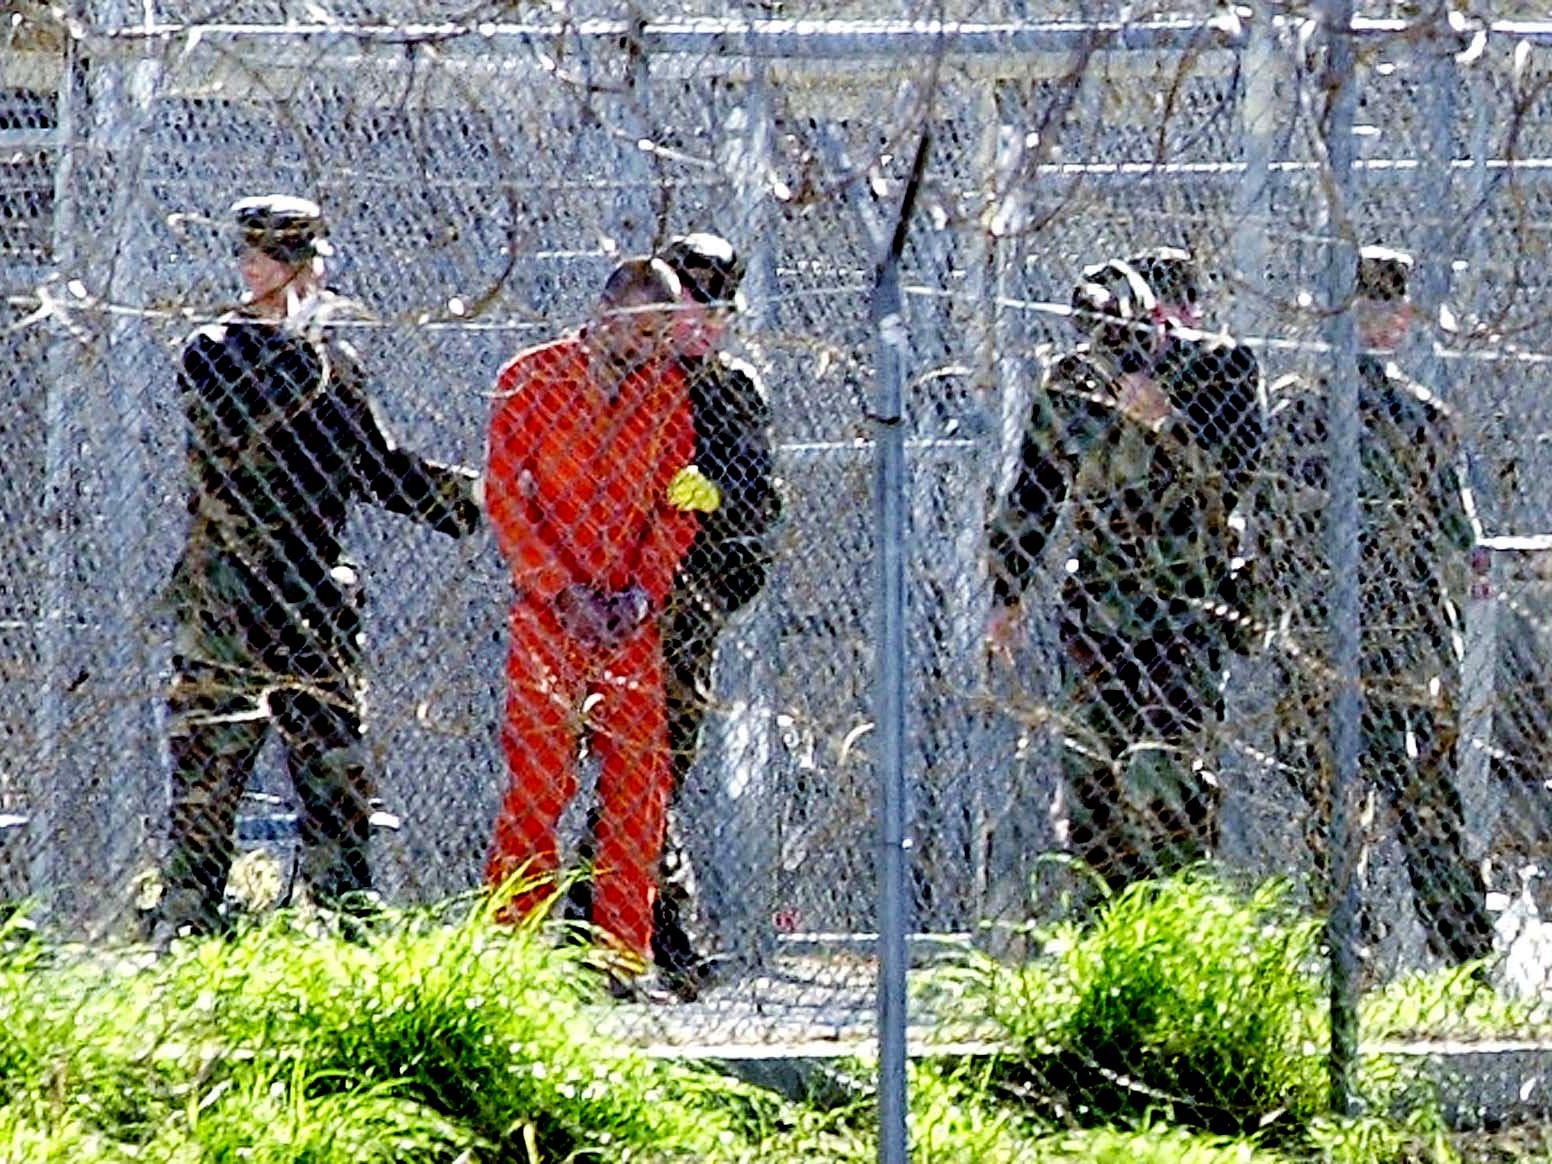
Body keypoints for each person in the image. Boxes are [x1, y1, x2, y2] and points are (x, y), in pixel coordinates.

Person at [151, 194, 481, 940]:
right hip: (229, 591)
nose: (254, 270)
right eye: (256, 258)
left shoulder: (334, 360)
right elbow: (248, 437)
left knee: (333, 772)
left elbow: (375, 465)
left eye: (272, 259)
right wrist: (305, 351)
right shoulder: (216, 351)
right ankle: (190, 922)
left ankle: (350, 919)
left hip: (311, 593)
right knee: (211, 771)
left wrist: (477, 501)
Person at [987, 250, 1261, 900]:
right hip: (1100, 607)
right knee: (1093, 777)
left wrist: (1166, 422)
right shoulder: (1076, 382)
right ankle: (1102, 935)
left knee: (1170, 767)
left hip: (1187, 606)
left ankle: (1180, 917)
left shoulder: (1221, 367)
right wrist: (1007, 595)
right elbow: (1034, 492)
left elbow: (1239, 476)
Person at [1258, 245, 1493, 967]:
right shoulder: (1414, 417)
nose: (1386, 321)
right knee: (1420, 802)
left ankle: (1347, 960)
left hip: (1331, 639)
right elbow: (1463, 542)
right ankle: (1464, 960)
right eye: (1379, 308)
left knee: (1334, 805)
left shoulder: (1298, 411)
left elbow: (1268, 533)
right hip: (1401, 645)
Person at [484, 256, 709, 977]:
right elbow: (504, 496)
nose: (652, 347)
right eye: (642, 330)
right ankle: (510, 957)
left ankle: (621, 958)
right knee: (539, 784)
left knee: (638, 788)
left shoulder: (666, 394)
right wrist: (558, 588)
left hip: (626, 620)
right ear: (606, 313)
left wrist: (643, 590)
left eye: (663, 333)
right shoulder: (532, 378)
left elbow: (679, 503)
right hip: (553, 618)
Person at [569, 234, 780, 998]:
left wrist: (707, 502)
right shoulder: (617, 378)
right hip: (600, 602)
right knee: (628, 770)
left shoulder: (728, 390)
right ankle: (635, 933)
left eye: (716, 302)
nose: (707, 318)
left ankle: (624, 929)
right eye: (693, 299)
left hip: (684, 605)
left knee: (654, 773)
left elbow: (756, 499)